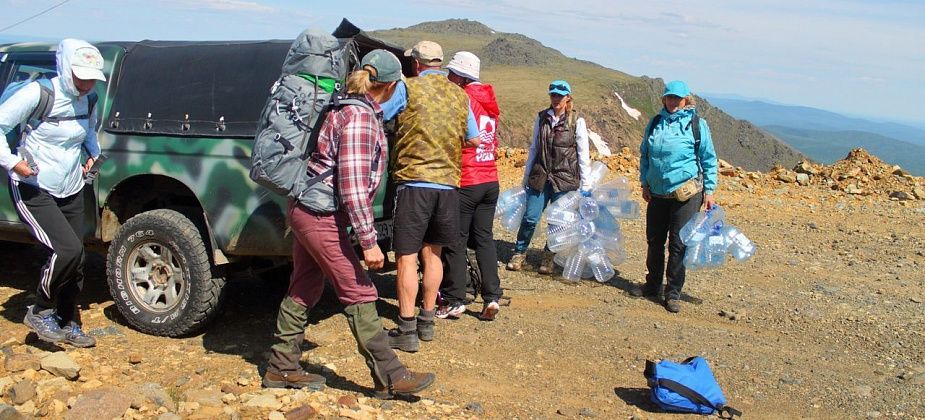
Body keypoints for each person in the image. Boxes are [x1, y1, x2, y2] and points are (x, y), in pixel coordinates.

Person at [262, 50, 435, 398]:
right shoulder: (359, 119)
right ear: (388, 87)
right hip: (319, 214)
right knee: (358, 289)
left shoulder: (344, 106)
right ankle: (390, 375)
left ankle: (281, 368)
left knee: (304, 286)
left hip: (306, 207)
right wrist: (369, 242)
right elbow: (353, 186)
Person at [0, 39, 106, 348]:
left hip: (71, 186)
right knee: (66, 250)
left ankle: (66, 320)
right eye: (80, 76)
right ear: (65, 68)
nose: (86, 83)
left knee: (79, 259)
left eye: (91, 78)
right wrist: (13, 162)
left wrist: (92, 153)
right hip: (34, 186)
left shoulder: (89, 98)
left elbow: (88, 131)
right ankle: (40, 310)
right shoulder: (39, 93)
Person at [379, 41, 479, 352]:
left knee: (407, 256)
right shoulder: (460, 95)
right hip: (448, 186)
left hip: (414, 183)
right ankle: (427, 321)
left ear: (416, 64)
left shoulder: (407, 89)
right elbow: (474, 140)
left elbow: (378, 114)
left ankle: (406, 328)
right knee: (433, 254)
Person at [631, 80, 718, 313]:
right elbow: (645, 155)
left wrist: (709, 192)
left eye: (677, 98)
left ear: (685, 100)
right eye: (669, 97)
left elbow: (708, 159)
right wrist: (644, 183)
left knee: (678, 244)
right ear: (664, 99)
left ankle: (673, 292)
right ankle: (652, 285)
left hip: (686, 194)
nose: (672, 102)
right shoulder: (655, 122)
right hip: (657, 192)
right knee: (654, 241)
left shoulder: (697, 124)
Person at [437, 51, 503, 321]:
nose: (449, 78)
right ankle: (492, 296)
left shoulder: (463, 99)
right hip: (490, 178)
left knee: (456, 240)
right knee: (484, 239)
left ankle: (455, 298)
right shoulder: (489, 100)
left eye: (452, 74)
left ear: (461, 77)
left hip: (468, 178)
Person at [506, 80, 591, 275]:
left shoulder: (576, 121)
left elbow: (582, 153)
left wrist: (586, 185)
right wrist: (527, 175)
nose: (556, 99)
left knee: (557, 221)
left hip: (565, 178)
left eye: (560, 95)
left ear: (568, 97)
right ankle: (519, 252)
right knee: (530, 217)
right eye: (553, 95)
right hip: (540, 174)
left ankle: (548, 256)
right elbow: (534, 148)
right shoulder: (542, 117)